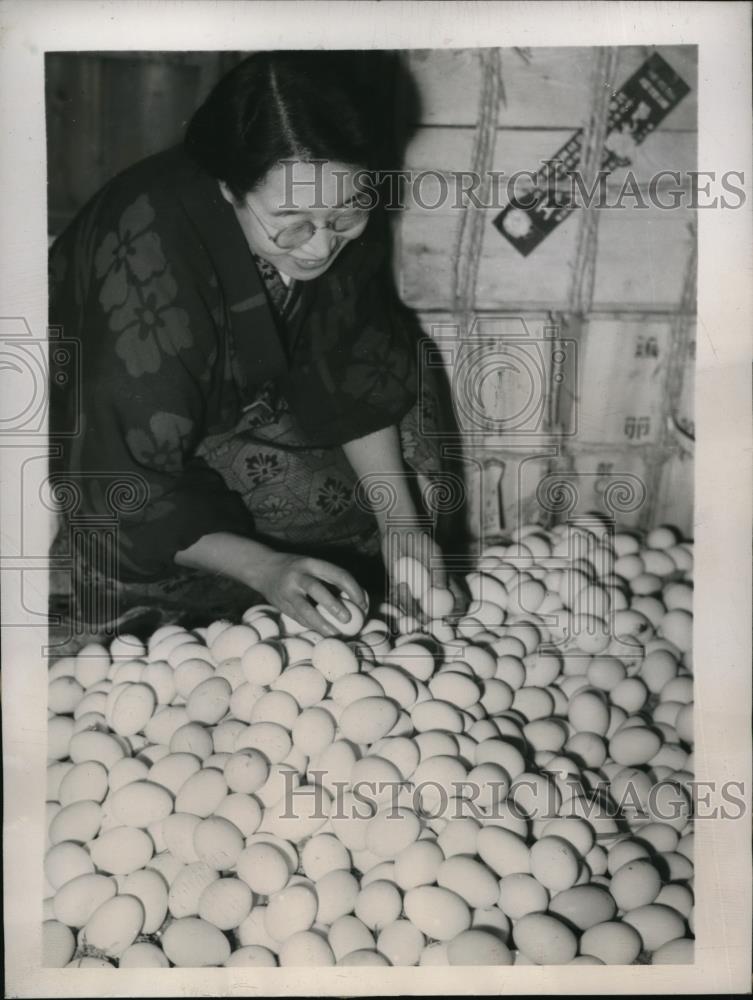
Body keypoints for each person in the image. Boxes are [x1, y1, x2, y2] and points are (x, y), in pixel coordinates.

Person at [48, 51, 450, 650]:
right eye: (291, 223)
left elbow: (354, 358)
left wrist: (400, 522)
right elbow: (115, 478)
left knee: (411, 449)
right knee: (164, 577)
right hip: (122, 435)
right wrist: (264, 568)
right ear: (229, 188)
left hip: (245, 392)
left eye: (345, 217)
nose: (319, 248)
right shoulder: (147, 270)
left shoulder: (329, 202)